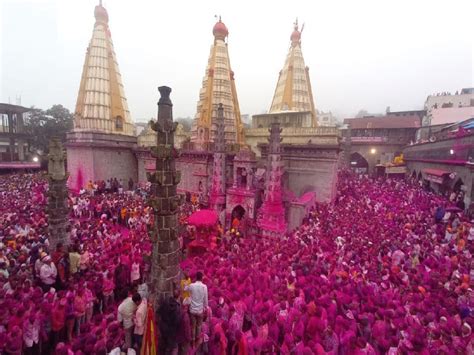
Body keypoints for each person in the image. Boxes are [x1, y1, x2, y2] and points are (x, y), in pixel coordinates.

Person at [185, 271, 208, 348]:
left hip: (192, 310)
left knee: (193, 326)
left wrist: (186, 280)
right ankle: (196, 342)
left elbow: (185, 289)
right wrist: (206, 308)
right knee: (198, 326)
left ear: (196, 277)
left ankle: (193, 342)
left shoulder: (192, 285)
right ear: (201, 278)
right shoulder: (204, 287)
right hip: (200, 310)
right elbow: (206, 300)